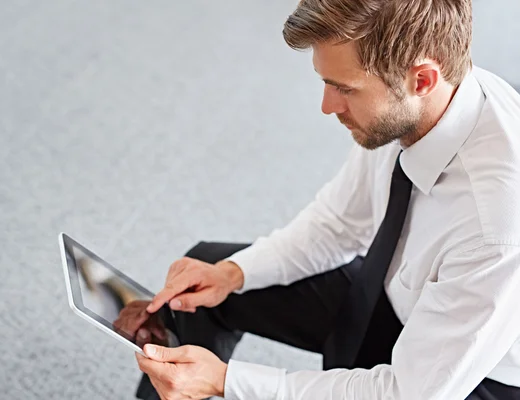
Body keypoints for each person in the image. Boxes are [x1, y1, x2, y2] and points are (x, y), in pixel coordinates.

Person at [131, 0, 520, 399]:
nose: (327, 106)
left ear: (421, 80)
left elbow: (408, 392)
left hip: (467, 376)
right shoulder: (416, 107)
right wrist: (234, 272)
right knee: (209, 275)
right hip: (395, 296)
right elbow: (339, 225)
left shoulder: (497, 228)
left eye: (345, 88)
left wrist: (226, 381)